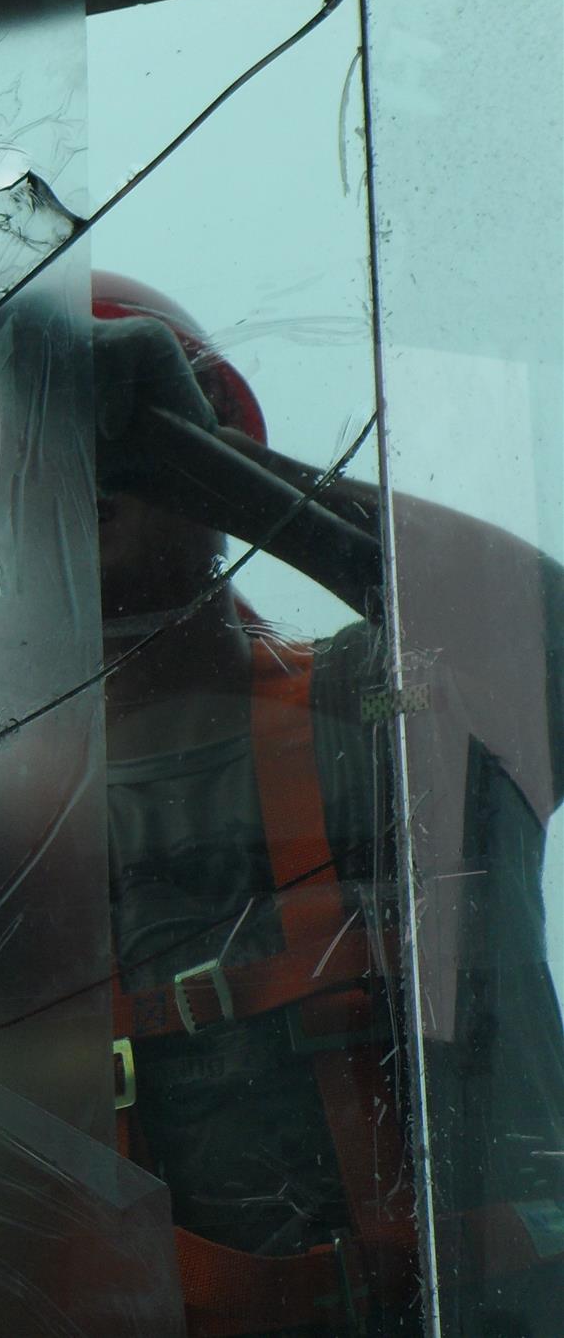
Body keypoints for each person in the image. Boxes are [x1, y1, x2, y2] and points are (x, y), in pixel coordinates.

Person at [86, 272, 564, 1335]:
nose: (86, 458)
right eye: (43, 440)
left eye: (116, 428)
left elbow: (549, 643)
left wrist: (223, 473)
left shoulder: (385, 708)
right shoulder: (0, 836)